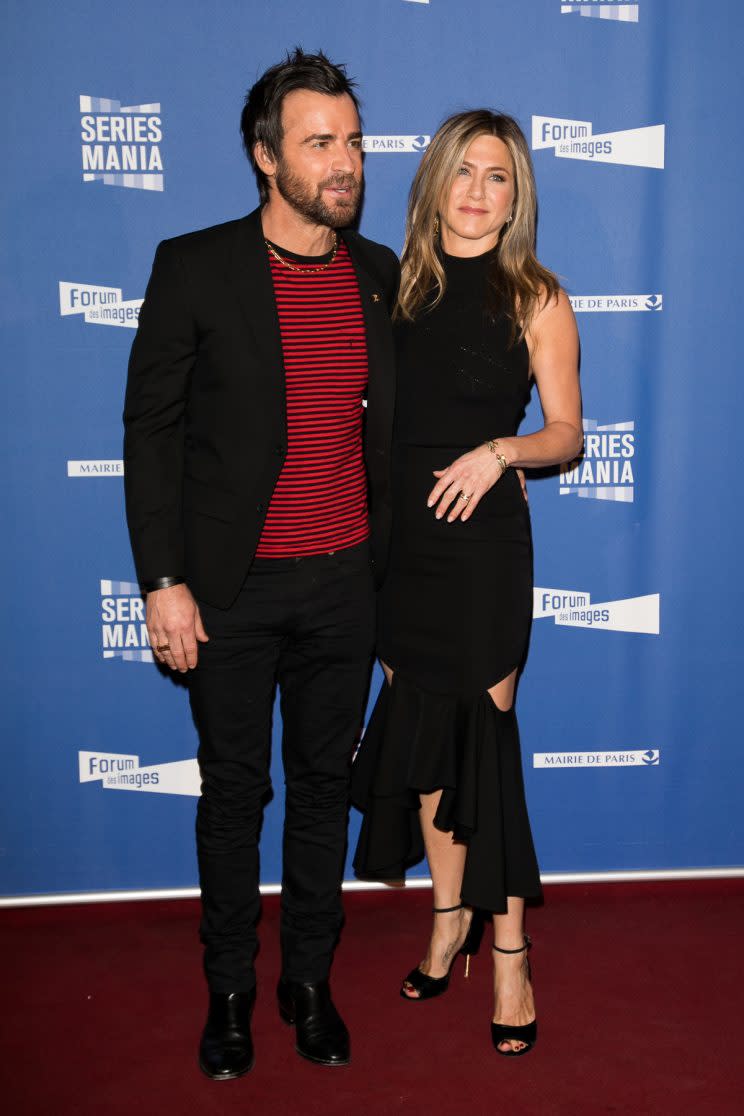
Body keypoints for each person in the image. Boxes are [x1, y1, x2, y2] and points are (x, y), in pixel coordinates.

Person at [123, 49, 397, 1079]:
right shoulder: (194, 267)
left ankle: (308, 983)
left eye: (355, 141)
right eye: (320, 142)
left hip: (344, 587)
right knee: (236, 796)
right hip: (230, 594)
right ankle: (232, 991)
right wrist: (163, 580)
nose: (345, 161)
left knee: (326, 788)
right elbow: (149, 434)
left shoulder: (377, 278)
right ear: (264, 156)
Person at [352, 109, 582, 1056]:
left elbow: (566, 433)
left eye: (500, 176)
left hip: (484, 549)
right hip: (399, 548)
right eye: (466, 171)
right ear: (437, 180)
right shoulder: (391, 283)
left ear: (516, 195)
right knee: (420, 742)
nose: (481, 191)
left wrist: (499, 452)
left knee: (482, 750)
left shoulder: (536, 296)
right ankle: (447, 919)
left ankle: (513, 952)